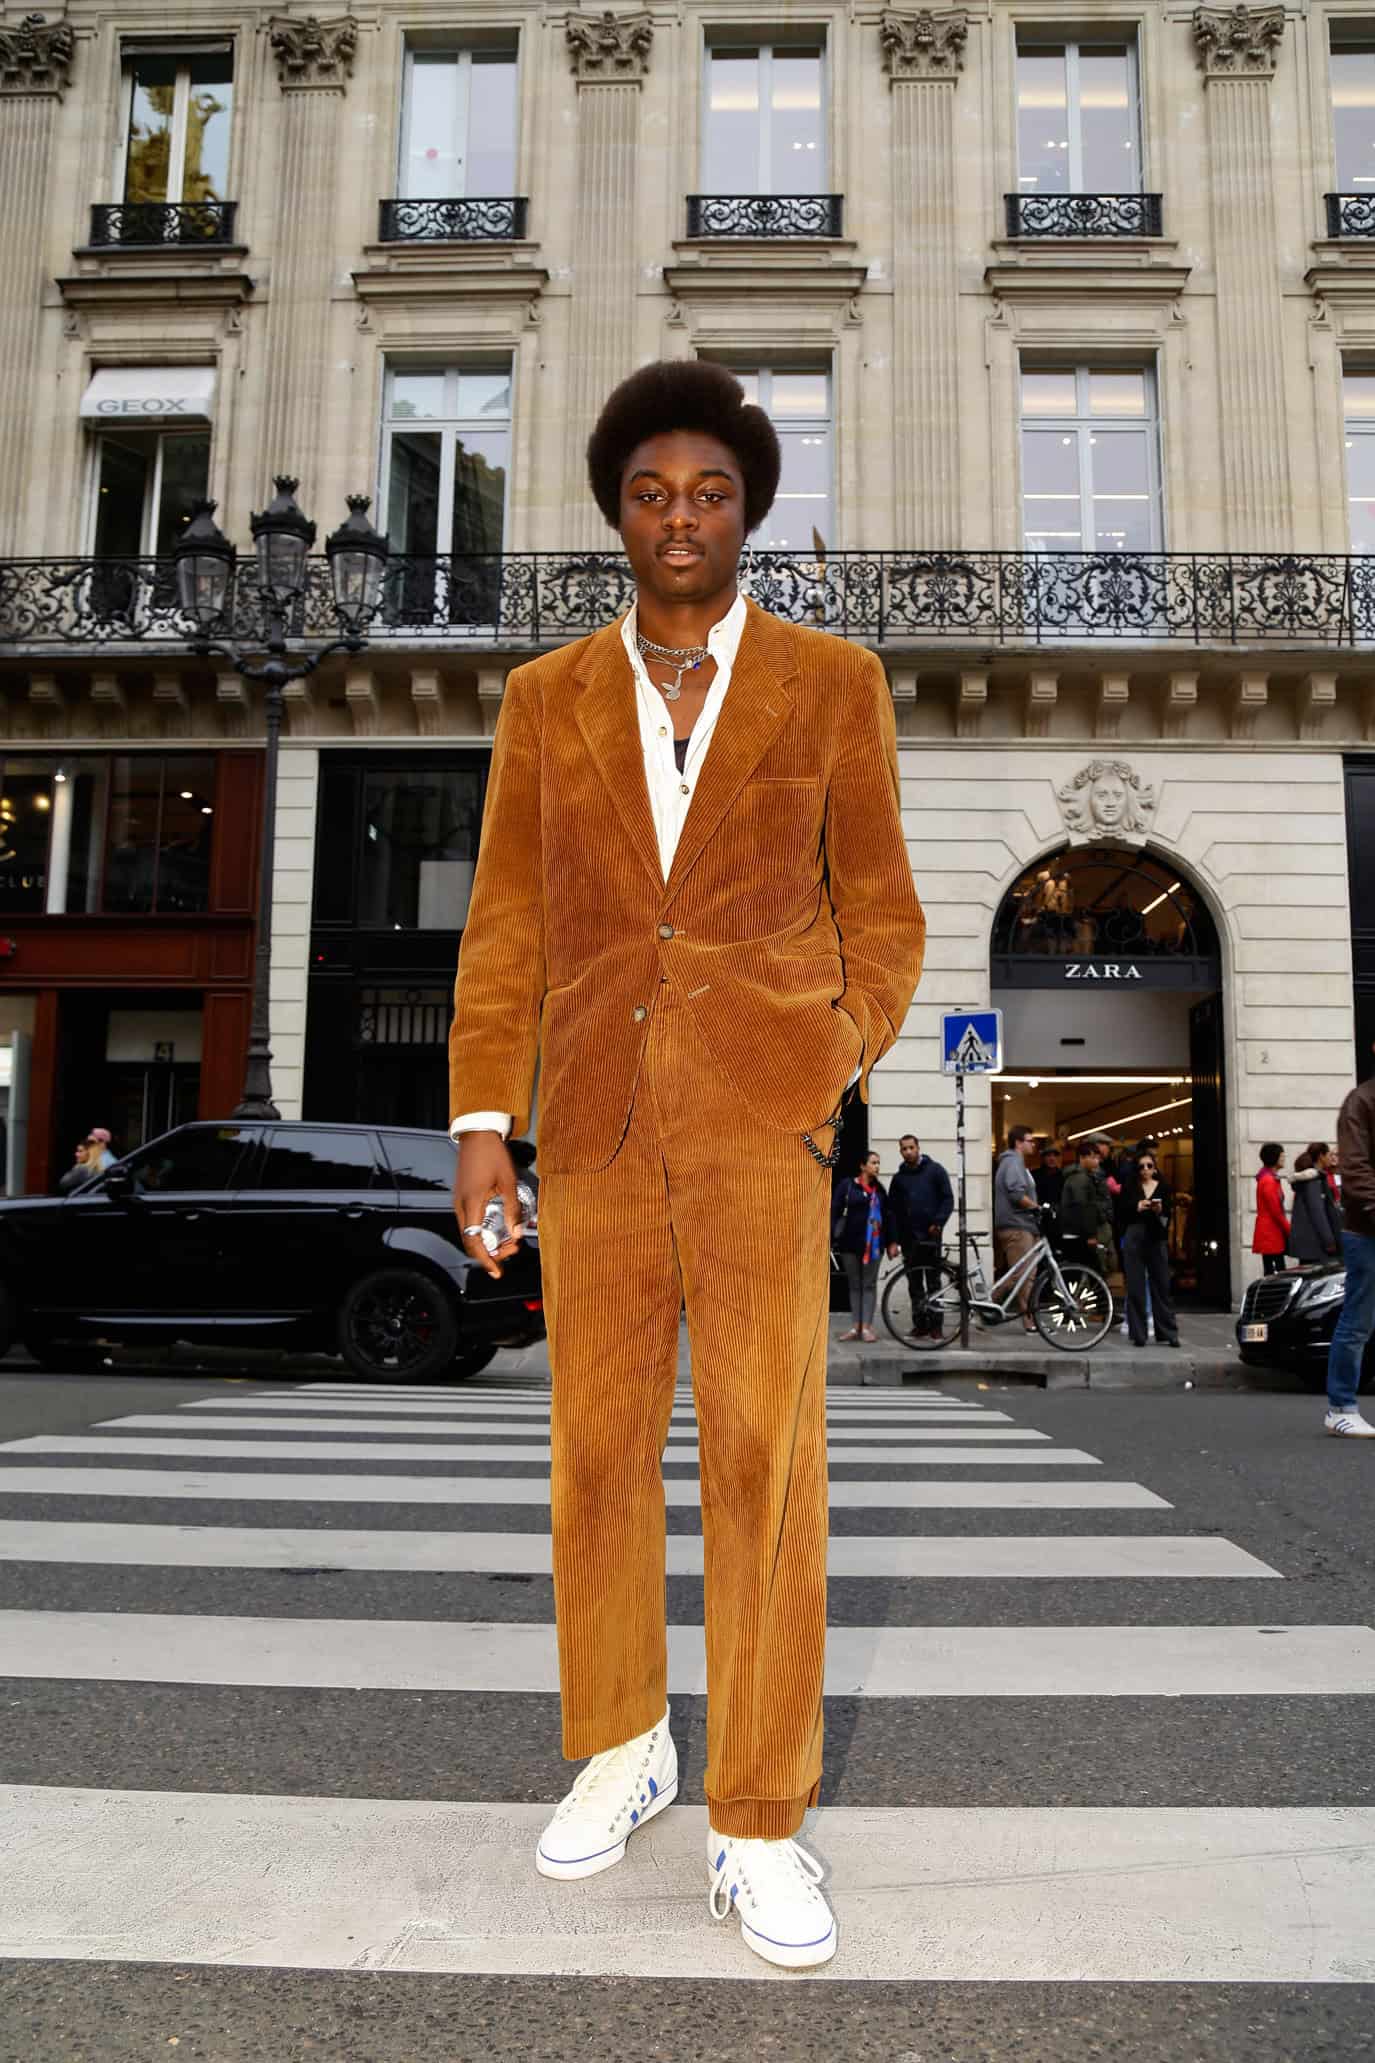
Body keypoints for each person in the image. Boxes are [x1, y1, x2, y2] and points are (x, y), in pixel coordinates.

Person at [447, 359, 925, 1967]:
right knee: (590, 1454)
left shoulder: (831, 680)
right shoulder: (542, 698)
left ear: (746, 513)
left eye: (706, 492)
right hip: (585, 1121)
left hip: (753, 1130)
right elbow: (503, 928)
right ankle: (621, 1739)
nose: (678, 516)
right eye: (651, 492)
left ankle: (757, 1815)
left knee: (761, 1465)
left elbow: (887, 910)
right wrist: (476, 1130)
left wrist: (820, 1050)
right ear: (614, 512)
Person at [1326, 1052, 1375, 1435]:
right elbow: (1355, 1170)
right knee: (1358, 1320)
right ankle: (1340, 1405)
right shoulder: (1361, 1101)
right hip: (1367, 1231)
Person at [831, 1150, 900, 1343]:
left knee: (868, 1285)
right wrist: (831, 1237)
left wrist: (893, 1242)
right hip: (849, 1244)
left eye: (878, 1163)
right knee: (854, 1285)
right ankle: (855, 1327)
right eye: (873, 1162)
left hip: (875, 1245)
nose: (877, 1166)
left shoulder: (880, 1190)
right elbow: (835, 1211)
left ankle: (866, 1327)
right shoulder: (847, 1186)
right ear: (863, 1166)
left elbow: (889, 1217)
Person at [888, 1133, 952, 1339]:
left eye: (911, 1148)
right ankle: (920, 1325)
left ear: (918, 1147)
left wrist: (938, 1222)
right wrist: (894, 1239)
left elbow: (947, 1198)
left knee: (933, 1283)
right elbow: (893, 1210)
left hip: (931, 1236)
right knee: (914, 1285)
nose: (908, 1152)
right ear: (901, 1151)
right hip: (909, 1239)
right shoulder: (899, 1179)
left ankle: (936, 1327)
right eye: (904, 1149)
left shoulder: (935, 1171)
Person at [1115, 1148, 1181, 1349]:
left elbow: (1168, 1216)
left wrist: (1160, 1210)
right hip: (1134, 1237)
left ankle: (1168, 1333)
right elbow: (1121, 1214)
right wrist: (1137, 1207)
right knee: (1135, 1286)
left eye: (1149, 1166)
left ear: (1155, 1168)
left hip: (1156, 1238)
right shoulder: (1130, 1186)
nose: (1145, 1170)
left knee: (1161, 1285)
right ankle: (1139, 1334)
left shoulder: (1164, 1188)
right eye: (1141, 1166)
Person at [993, 1123, 1040, 1331]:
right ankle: (985, 1303)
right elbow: (1016, 1193)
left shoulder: (1017, 1162)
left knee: (1025, 1275)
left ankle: (1028, 1319)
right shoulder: (1013, 1163)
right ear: (1019, 1143)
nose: (1034, 1145)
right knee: (1020, 1274)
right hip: (1017, 1225)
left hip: (1022, 1225)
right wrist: (1037, 1207)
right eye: (1030, 1141)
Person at [1289, 1143, 1343, 1266]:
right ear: (1321, 1156)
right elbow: (1317, 1212)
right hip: (1316, 1245)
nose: (1331, 1158)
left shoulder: (1316, 1178)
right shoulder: (1314, 1181)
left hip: (1312, 1244)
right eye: (1329, 1155)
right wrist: (1329, 1240)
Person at [1060, 1140, 1107, 1269]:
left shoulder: (1082, 1176)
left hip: (1075, 1231)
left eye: (1098, 1158)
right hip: (1077, 1233)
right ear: (1082, 1157)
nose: (1096, 1161)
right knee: (1086, 1270)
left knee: (1080, 1270)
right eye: (1093, 1157)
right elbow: (1083, 1207)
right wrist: (1090, 1235)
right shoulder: (1080, 1178)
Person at [1252, 1142, 1291, 1274]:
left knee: (1271, 1271)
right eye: (1281, 1156)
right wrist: (1289, 1229)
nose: (1284, 1158)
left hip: (1270, 1231)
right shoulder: (1269, 1181)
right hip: (1271, 1233)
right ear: (1274, 1158)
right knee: (1277, 1273)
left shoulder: (1268, 1178)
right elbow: (1276, 1212)